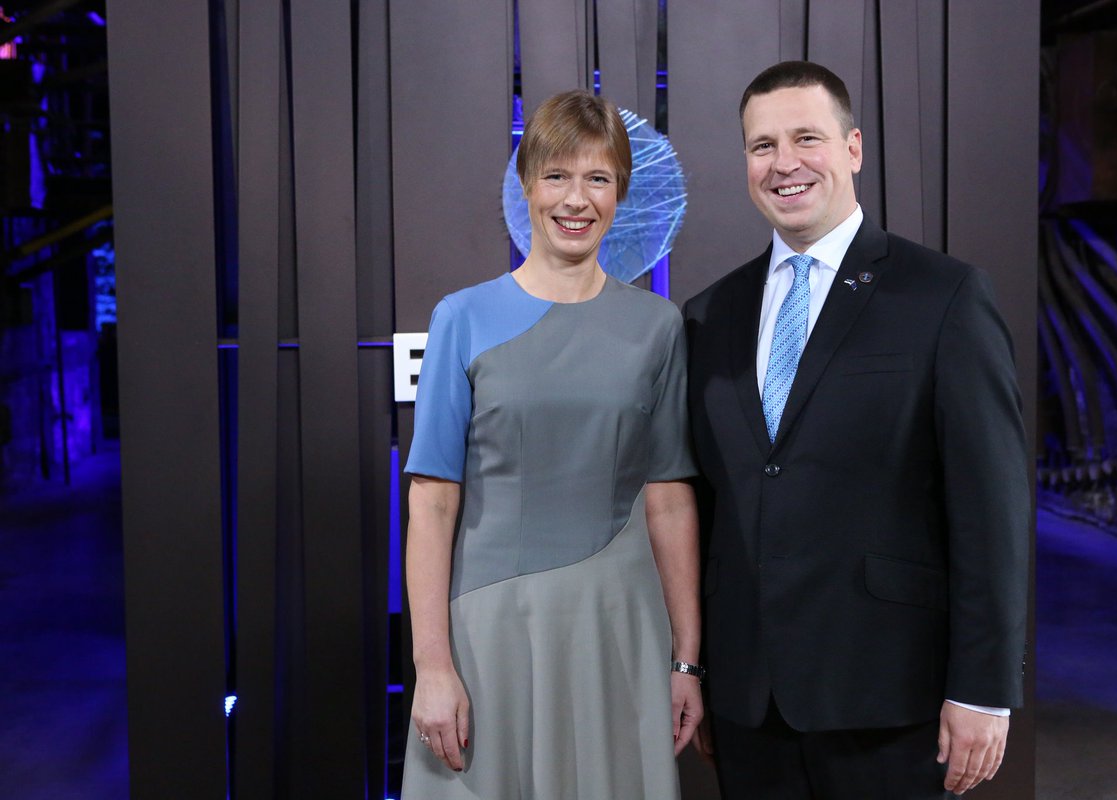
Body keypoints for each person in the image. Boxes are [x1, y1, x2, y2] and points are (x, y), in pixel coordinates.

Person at [683, 61, 1030, 799]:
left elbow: (992, 506)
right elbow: (708, 508)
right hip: (749, 700)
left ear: (853, 148)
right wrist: (702, 672)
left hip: (891, 696)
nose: (784, 163)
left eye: (806, 138)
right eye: (763, 145)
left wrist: (984, 687)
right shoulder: (709, 314)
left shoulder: (943, 296)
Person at [401, 89, 703, 799]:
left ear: (620, 192)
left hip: (619, 629)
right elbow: (432, 504)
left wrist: (685, 660)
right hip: (489, 633)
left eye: (598, 178)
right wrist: (432, 665)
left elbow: (669, 500)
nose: (576, 199)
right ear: (526, 185)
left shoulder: (658, 327)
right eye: (557, 176)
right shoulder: (462, 318)